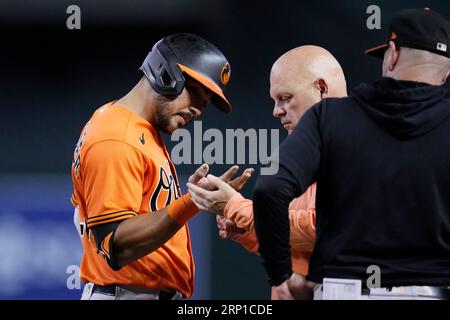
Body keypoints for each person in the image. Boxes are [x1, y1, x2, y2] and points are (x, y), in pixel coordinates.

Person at [252, 8, 450, 300]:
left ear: (392, 54)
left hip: (345, 289)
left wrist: (280, 275)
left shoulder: (331, 116)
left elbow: (270, 189)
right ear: (447, 71)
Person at [70, 33, 252, 300]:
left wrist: (194, 201)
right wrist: (189, 204)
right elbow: (116, 244)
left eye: (205, 104)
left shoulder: (134, 127)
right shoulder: (116, 137)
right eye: (195, 93)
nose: (199, 110)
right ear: (164, 73)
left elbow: (82, 212)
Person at [186, 45, 347, 299]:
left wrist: (241, 210)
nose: (276, 111)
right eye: (274, 100)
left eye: (285, 98)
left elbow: (329, 228)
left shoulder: (357, 143)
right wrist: (249, 232)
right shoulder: (307, 150)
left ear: (322, 89)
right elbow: (301, 244)